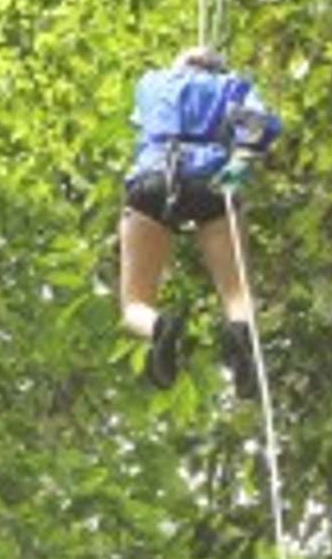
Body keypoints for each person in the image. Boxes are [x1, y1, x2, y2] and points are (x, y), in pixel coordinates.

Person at [120, 47, 283, 397]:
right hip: (211, 185)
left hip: (153, 181)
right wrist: (239, 163)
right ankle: (239, 335)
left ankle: (157, 326)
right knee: (237, 292)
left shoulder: (151, 82)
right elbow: (260, 123)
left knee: (134, 302)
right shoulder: (231, 86)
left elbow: (142, 121)